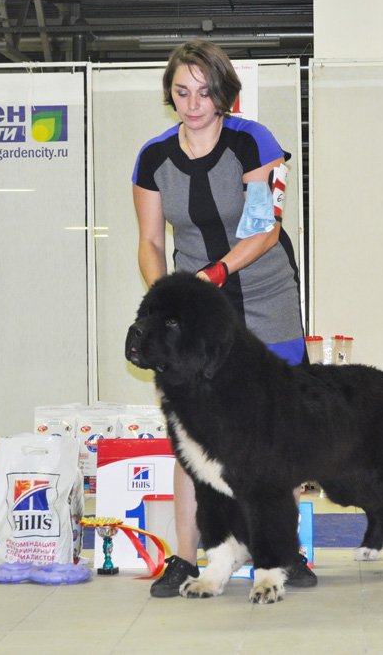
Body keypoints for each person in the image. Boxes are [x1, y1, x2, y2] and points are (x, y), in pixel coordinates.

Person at [131, 39, 317, 598]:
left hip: (265, 299)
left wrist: (212, 277)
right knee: (192, 441)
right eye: (182, 91)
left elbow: (265, 230)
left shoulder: (253, 141)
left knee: (274, 438)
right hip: (197, 321)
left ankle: (282, 555)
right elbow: (148, 240)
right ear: (171, 94)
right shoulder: (153, 158)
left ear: (223, 94)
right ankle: (186, 559)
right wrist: (166, 297)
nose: (193, 103)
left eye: (204, 92)